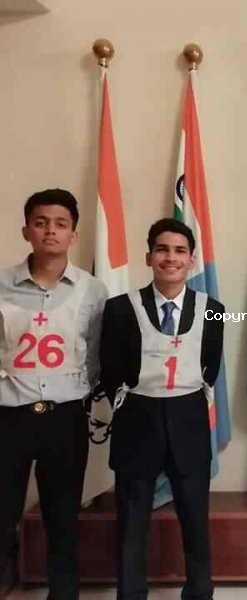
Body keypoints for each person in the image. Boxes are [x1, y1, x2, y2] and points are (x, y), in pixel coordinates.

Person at [99, 218, 223, 600]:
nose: (171, 258)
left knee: (195, 521)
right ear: (149, 256)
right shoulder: (120, 308)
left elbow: (210, 367)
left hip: (188, 421)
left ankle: (199, 592)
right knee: (132, 522)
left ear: (191, 259)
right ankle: (131, 594)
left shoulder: (213, 309)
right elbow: (110, 369)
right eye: (163, 249)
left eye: (180, 251)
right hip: (138, 420)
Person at [0, 188, 107, 599]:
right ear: (26, 230)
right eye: (41, 222)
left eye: (61, 224)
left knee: (62, 519)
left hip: (64, 418)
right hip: (9, 417)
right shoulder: (2, 285)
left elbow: (94, 354)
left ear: (73, 235)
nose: (50, 231)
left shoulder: (92, 290)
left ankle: (63, 594)